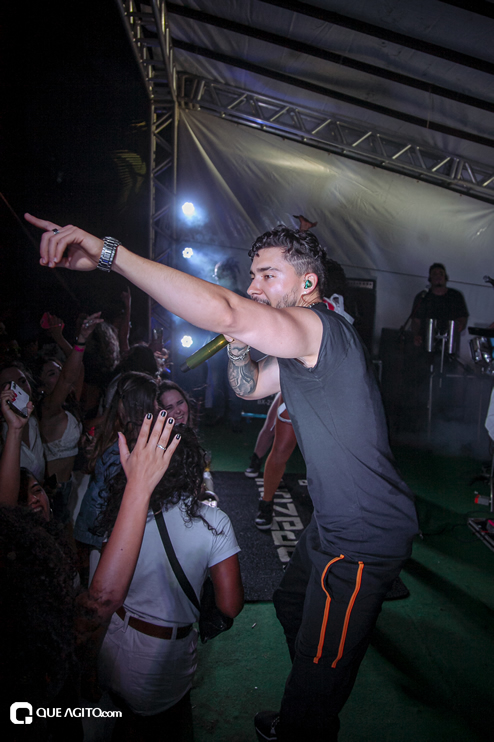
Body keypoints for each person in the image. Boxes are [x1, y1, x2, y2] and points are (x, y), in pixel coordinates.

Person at [26, 214, 418, 742]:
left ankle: (307, 718)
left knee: (320, 662)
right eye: (252, 275)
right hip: (333, 523)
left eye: (267, 275)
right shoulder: (301, 344)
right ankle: (311, 702)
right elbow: (248, 386)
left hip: (363, 534)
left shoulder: (316, 326)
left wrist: (110, 255)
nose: (253, 286)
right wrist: (237, 343)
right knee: (290, 604)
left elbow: (229, 308)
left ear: (307, 283)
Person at [86, 409, 243, 741]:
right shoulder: (214, 522)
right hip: (161, 658)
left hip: (112, 637)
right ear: (193, 467)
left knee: (113, 723)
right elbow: (230, 606)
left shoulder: (126, 508)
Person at [411, 262, 468, 348]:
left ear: (445, 277)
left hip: (449, 344)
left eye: (441, 274)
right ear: (430, 278)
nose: (438, 276)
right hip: (425, 344)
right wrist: (416, 335)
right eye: (435, 274)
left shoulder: (455, 296)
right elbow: (415, 321)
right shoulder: (422, 297)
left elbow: (462, 317)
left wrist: (460, 325)